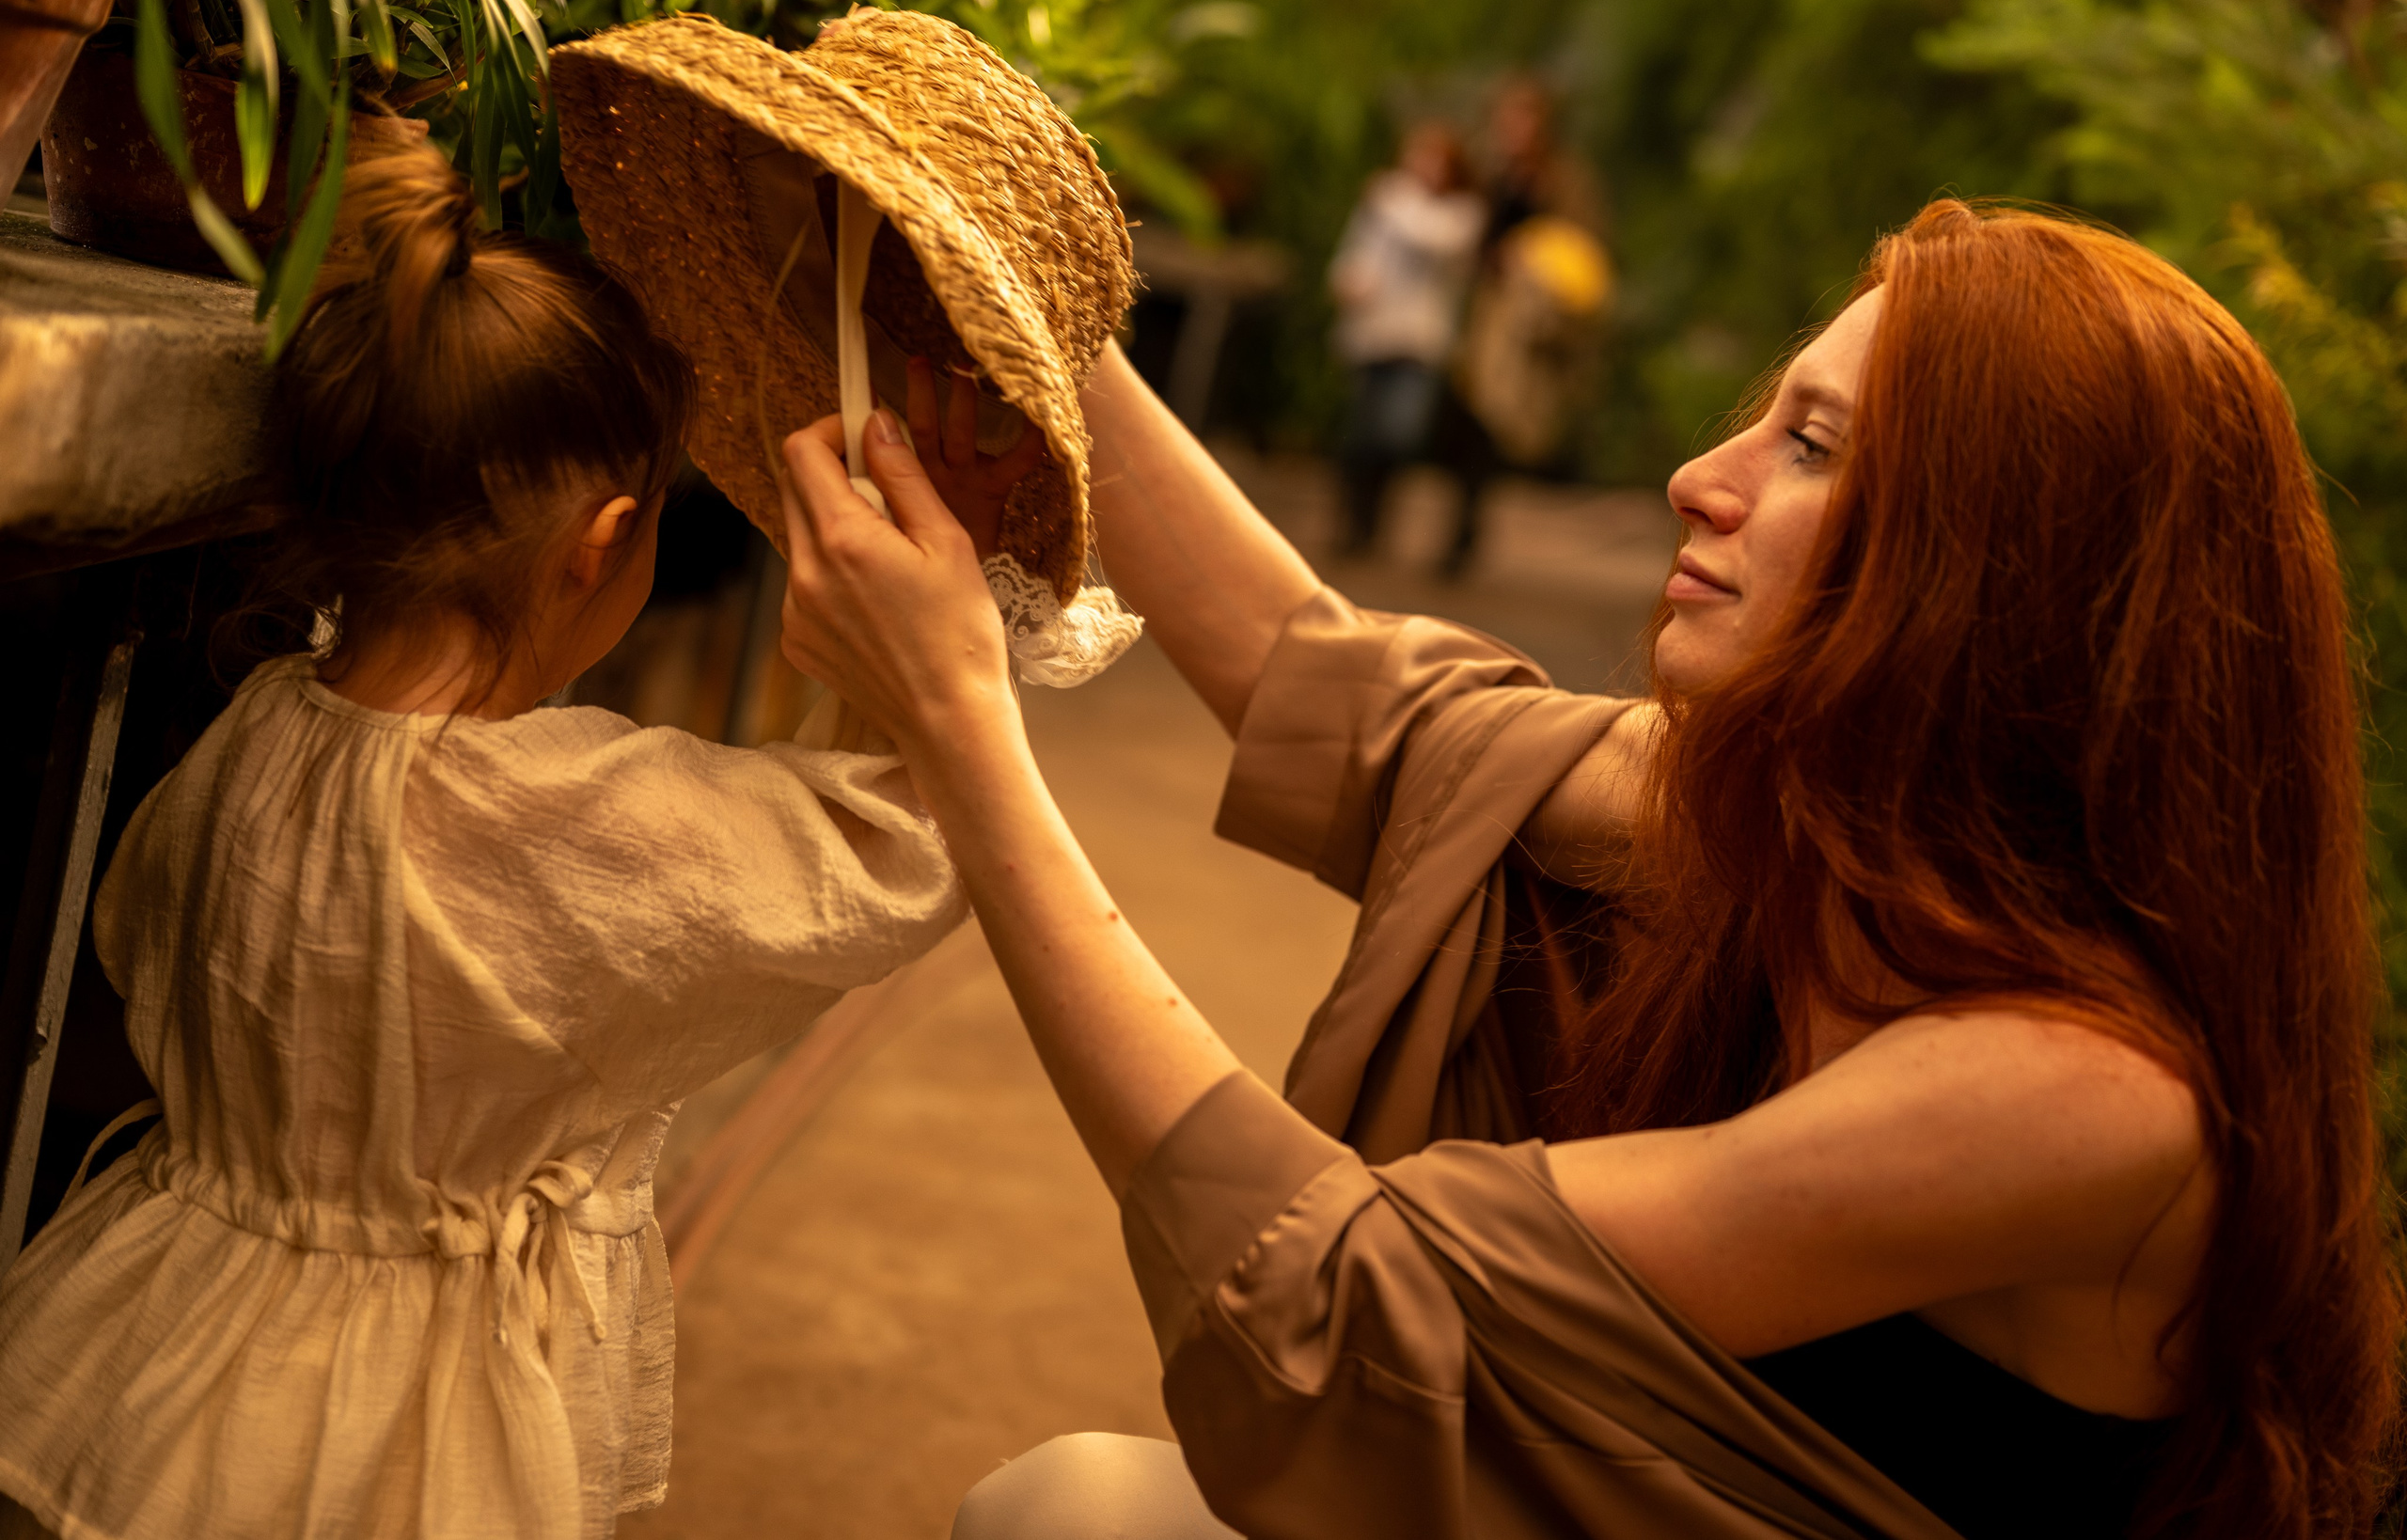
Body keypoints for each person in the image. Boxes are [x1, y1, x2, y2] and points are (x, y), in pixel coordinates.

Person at [772, 199, 2399, 1539]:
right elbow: (1368, 715)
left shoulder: (2084, 1094)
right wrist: (1026, 306)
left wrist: (960, 722)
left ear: (1994, 576)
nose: (1705, 476)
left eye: (1813, 445)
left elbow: (1344, 1282)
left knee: (1072, 1512)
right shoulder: (1836, 840)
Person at [0, 145, 965, 1540]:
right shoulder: (565, 822)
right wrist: (914, 624)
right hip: (407, 1420)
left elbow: (138, 935)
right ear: (606, 539)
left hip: (151, 1338)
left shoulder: (250, 733)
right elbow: (891, 856)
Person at [1432, 75, 1610, 576]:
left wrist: (1529, 255)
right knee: (1465, 421)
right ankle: (1459, 532)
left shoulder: (1565, 181)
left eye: (1523, 119)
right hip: (1483, 317)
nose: (1512, 129)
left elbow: (1581, 252)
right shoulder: (1489, 176)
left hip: (1525, 326)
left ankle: (1465, 534)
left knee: (1499, 422)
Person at [1327, 120, 1486, 557]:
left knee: (1398, 433)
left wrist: (1390, 197)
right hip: (1372, 334)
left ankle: (1379, 517)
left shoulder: (1459, 214)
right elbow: (1360, 251)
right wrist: (1347, 280)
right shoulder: (1385, 203)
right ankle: (1357, 526)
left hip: (1419, 344)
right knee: (1359, 435)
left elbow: (1428, 237)